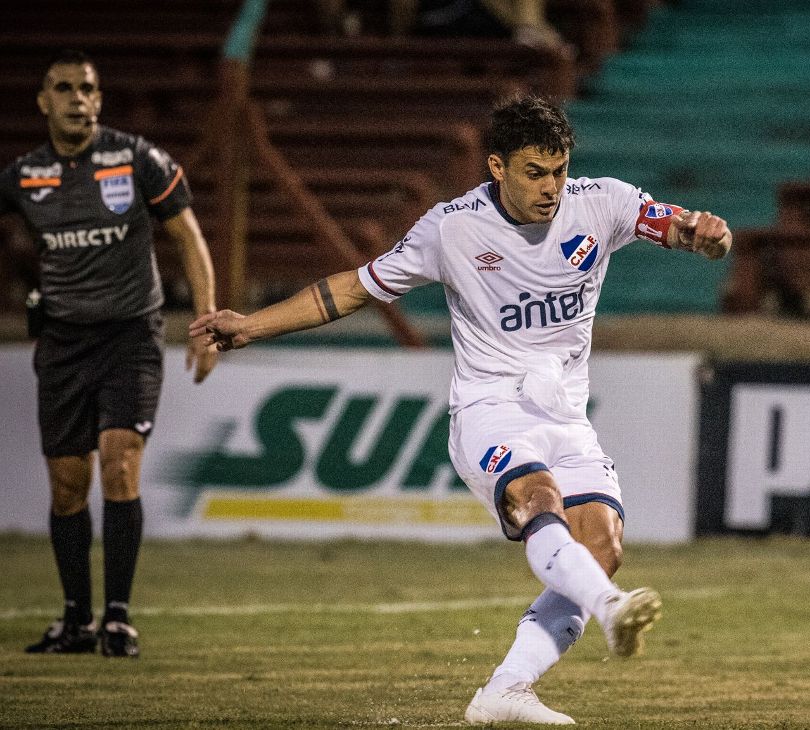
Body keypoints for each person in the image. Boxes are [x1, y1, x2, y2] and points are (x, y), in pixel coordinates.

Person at [190, 95, 731, 725]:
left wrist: (708, 239)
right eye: (535, 172)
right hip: (489, 410)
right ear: (497, 167)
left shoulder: (602, 201)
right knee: (539, 499)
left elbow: (682, 228)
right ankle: (610, 609)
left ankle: (505, 692)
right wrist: (250, 326)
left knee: (603, 543)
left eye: (559, 170)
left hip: (564, 416)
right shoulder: (452, 229)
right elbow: (351, 288)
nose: (551, 187)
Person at [0, 50, 219, 657]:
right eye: (64, 88)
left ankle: (117, 617)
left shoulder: (137, 159)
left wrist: (204, 324)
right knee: (68, 485)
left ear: (99, 99)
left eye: (87, 88)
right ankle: (74, 620)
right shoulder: (23, 177)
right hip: (63, 342)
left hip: (130, 336)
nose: (77, 98)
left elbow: (189, 236)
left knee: (119, 463)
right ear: (43, 102)